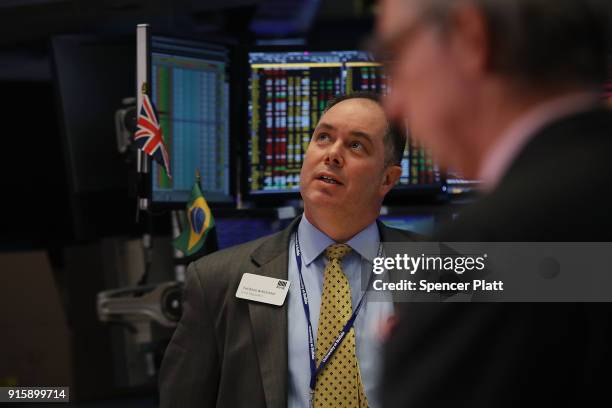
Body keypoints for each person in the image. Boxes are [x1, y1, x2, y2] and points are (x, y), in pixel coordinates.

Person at [374, 0, 612, 406]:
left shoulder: (487, 247)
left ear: (472, 38)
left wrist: (425, 350)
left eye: (396, 53)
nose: (392, 104)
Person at [159, 92, 421, 407]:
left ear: (387, 179)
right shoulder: (217, 280)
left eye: (356, 146)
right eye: (323, 137)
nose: (333, 154)